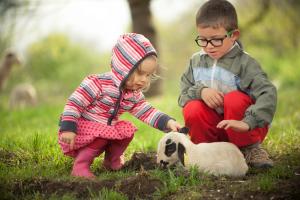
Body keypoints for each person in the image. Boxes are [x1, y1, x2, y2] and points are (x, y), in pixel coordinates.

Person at [58, 33, 181, 179]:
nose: (144, 80)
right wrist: (68, 127)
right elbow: (75, 103)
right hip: (79, 132)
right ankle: (80, 166)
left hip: (104, 132)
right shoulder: (97, 83)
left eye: (148, 75)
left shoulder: (132, 94)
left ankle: (111, 160)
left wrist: (167, 122)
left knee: (126, 132)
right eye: (140, 73)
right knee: (102, 134)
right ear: (124, 68)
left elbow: (146, 111)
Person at [178, 0, 277, 168]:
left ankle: (250, 150)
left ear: (233, 35)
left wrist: (247, 122)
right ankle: (206, 152)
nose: (208, 47)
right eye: (203, 40)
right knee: (192, 107)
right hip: (215, 130)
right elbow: (183, 95)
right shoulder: (196, 61)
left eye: (216, 40)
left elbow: (268, 93)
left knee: (234, 99)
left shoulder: (245, 63)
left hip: (245, 129)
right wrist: (201, 91)